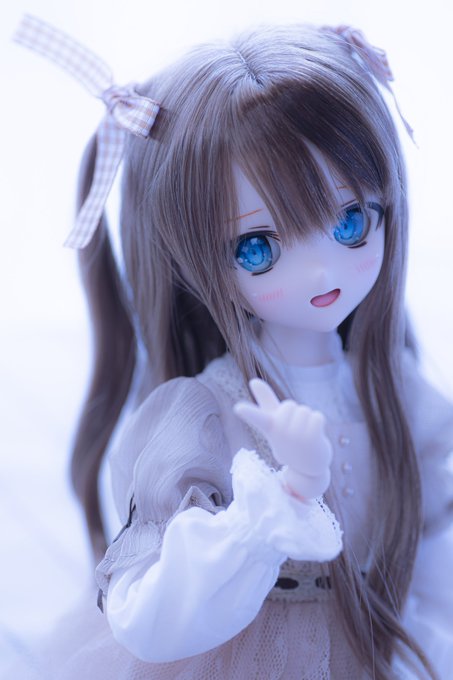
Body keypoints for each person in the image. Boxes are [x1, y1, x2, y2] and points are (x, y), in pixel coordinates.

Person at [14, 15, 453, 680]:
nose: (321, 271)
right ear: (192, 260)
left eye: (350, 221)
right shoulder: (204, 416)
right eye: (258, 247)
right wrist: (282, 495)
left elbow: (435, 544)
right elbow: (146, 614)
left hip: (374, 641)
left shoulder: (394, 392)